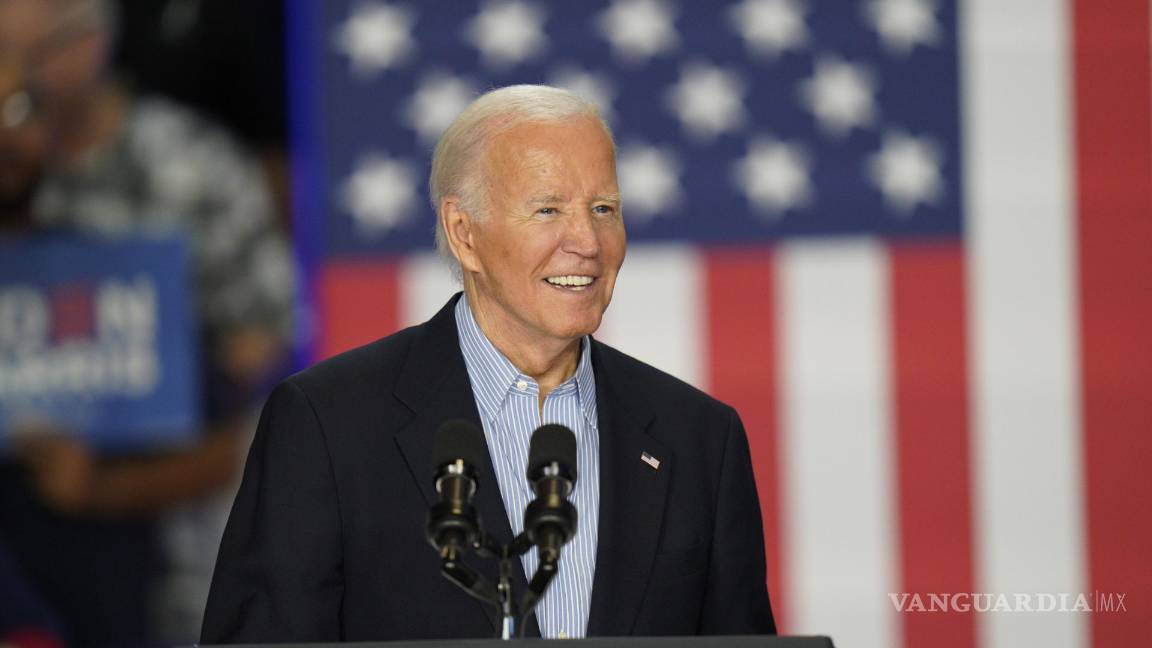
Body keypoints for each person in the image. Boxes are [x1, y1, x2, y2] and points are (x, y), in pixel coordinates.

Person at [201, 85, 775, 642]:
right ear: (463, 233)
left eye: (604, 208)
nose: (588, 241)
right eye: (548, 209)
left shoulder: (698, 439)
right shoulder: (327, 425)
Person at [0, 1, 294, 645]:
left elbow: (261, 372)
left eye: (31, 55)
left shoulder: (190, 169)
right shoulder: (18, 180)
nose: (16, 78)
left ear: (91, 42)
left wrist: (107, 482)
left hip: (169, 571)